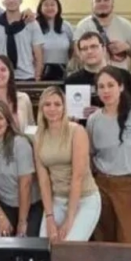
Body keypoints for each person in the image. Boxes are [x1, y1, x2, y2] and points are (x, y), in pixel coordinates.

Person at [86, 66, 131, 243]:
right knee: (103, 237)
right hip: (101, 185)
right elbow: (90, 155)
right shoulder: (93, 119)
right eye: (101, 86)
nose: (106, 91)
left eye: (111, 85)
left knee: (128, 239)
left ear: (121, 87)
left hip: (128, 185)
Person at [33, 87, 101, 242]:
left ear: (64, 107)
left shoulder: (77, 131)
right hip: (58, 199)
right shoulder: (38, 137)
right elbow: (43, 181)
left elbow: (78, 177)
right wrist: (49, 217)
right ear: (41, 108)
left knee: (67, 245)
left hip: (84, 198)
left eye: (57, 104)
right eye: (47, 104)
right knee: (46, 245)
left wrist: (69, 219)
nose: (52, 109)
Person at [0, 101, 43, 237]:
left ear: (8, 122)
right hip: (4, 204)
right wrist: (1, 216)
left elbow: (25, 185)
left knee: (25, 242)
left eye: (0, 118)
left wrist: (22, 222)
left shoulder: (20, 144)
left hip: (31, 205)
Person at [0, 0, 45, 81]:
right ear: (3, 2)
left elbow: (38, 53)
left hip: (27, 75)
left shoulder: (31, 24)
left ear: (21, 0)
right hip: (3, 75)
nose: (11, 0)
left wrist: (37, 76)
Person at [74, 0, 131, 70]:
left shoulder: (126, 25)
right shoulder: (83, 26)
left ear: (112, 3)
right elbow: (77, 54)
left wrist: (127, 47)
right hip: (92, 74)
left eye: (106, 0)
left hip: (119, 75)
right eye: (98, 0)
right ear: (92, 4)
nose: (102, 3)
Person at [35, 0, 73, 81]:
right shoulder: (34, 26)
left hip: (64, 71)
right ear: (40, 8)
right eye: (46, 5)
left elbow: (72, 49)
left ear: (58, 7)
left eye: (52, 5)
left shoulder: (66, 26)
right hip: (41, 72)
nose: (49, 8)